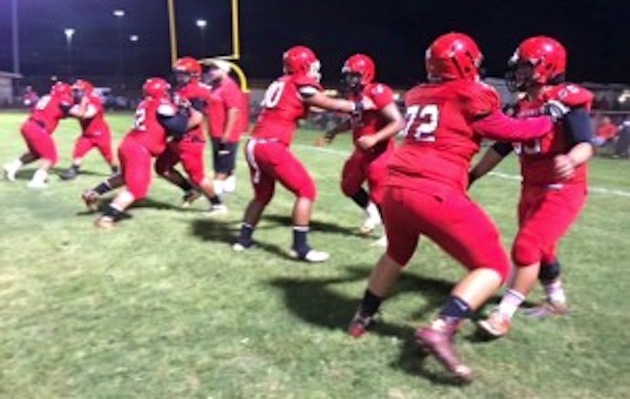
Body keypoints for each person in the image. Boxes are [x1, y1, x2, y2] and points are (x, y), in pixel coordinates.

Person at [346, 32, 554, 381]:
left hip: (395, 187)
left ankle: (362, 318)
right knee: (492, 266)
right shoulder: (470, 93)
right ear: (465, 62)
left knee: (396, 252)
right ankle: (442, 327)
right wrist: (548, 120)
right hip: (434, 189)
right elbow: (509, 130)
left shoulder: (418, 94)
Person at [470, 36, 594, 338]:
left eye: (526, 67)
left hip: (563, 188)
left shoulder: (565, 99)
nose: (520, 74)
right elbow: (501, 148)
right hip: (531, 187)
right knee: (544, 249)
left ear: (546, 67)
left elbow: (586, 143)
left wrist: (571, 158)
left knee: (526, 247)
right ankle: (556, 301)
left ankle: (503, 315)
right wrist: (472, 175)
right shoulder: (521, 107)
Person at [232, 45, 376, 262]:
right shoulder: (301, 84)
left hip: (254, 143)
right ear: (303, 65)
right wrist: (357, 106)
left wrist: (336, 107)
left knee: (262, 195)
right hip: (271, 145)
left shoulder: (281, 83)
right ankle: (301, 248)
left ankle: (243, 240)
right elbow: (324, 102)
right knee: (306, 190)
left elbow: (311, 105)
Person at [81, 77, 196, 228]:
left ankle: (93, 193)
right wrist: (183, 111)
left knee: (125, 177)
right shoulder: (162, 105)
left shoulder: (145, 103)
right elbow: (179, 127)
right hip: (140, 149)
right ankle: (107, 218)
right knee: (137, 189)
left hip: (128, 144)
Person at [323, 54, 404, 245]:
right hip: (361, 152)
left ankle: (391, 236)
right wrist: (336, 130)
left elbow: (398, 122)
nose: (350, 80)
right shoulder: (355, 95)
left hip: (380, 153)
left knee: (380, 195)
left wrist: (375, 137)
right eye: (348, 76)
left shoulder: (378, 91)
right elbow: (356, 120)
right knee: (348, 186)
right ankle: (372, 215)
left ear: (365, 75)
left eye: (353, 75)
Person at [154, 57, 226, 214]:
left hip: (190, 140)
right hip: (178, 138)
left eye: (183, 74)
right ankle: (191, 191)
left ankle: (218, 205)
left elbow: (196, 119)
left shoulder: (197, 91)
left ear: (194, 74)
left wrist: (177, 129)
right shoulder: (179, 89)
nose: (179, 77)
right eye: (178, 74)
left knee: (197, 176)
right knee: (162, 167)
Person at [3, 82, 76, 188]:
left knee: (35, 153)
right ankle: (37, 180)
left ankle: (12, 167)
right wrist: (84, 102)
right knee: (51, 157)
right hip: (38, 128)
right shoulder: (62, 99)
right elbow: (78, 113)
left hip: (28, 125)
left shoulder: (48, 97)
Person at [204, 59, 249, 195]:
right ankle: (229, 184)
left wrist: (227, 134)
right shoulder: (215, 86)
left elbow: (233, 111)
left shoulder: (229, 87)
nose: (210, 72)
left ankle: (216, 198)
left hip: (225, 132)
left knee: (220, 167)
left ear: (224, 71)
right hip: (216, 131)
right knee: (223, 162)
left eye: (214, 69)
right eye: (210, 69)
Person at [60, 79, 119, 180]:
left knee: (108, 157)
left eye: (77, 90)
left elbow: (86, 115)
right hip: (87, 135)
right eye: (74, 90)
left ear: (85, 91)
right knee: (78, 152)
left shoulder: (94, 101)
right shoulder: (77, 101)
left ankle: (116, 170)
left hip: (101, 135)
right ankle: (74, 170)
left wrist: (70, 110)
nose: (74, 93)